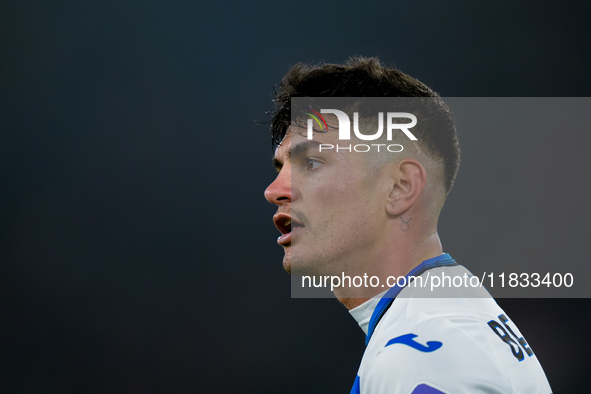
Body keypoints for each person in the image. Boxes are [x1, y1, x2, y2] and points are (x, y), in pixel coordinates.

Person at [264, 57, 552, 393]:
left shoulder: (421, 357)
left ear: (400, 187)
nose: (274, 192)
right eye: (280, 169)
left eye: (311, 162)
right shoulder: (447, 315)